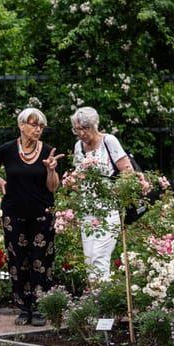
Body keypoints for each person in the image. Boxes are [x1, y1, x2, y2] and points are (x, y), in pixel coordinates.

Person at [0, 107, 62, 326]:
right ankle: (24, 308)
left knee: (41, 261)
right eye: (34, 124)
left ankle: (40, 308)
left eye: (41, 126)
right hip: (14, 214)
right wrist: (0, 181)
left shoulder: (48, 152)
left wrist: (51, 170)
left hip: (42, 214)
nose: (38, 129)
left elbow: (53, 188)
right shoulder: (8, 150)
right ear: (21, 125)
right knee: (18, 261)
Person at [61, 106, 134, 280]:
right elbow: (80, 178)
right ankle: (95, 294)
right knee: (90, 260)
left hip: (109, 208)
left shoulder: (109, 141)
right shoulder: (78, 146)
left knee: (100, 256)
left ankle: (102, 295)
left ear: (95, 125)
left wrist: (115, 191)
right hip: (87, 210)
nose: (81, 133)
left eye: (85, 128)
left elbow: (128, 172)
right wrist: (72, 183)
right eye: (77, 129)